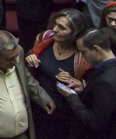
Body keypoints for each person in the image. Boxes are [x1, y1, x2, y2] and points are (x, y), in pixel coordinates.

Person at [26, 9, 90, 139]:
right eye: (55, 24)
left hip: (64, 116)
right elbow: (31, 58)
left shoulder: (83, 57)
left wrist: (78, 84)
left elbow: (91, 87)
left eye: (62, 28)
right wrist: (30, 58)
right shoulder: (44, 38)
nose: (55, 29)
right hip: (38, 106)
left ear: (75, 33)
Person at [59, 27, 116, 139]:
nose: (83, 57)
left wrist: (72, 97)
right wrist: (83, 90)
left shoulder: (106, 82)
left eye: (84, 52)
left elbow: (94, 123)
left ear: (97, 49)